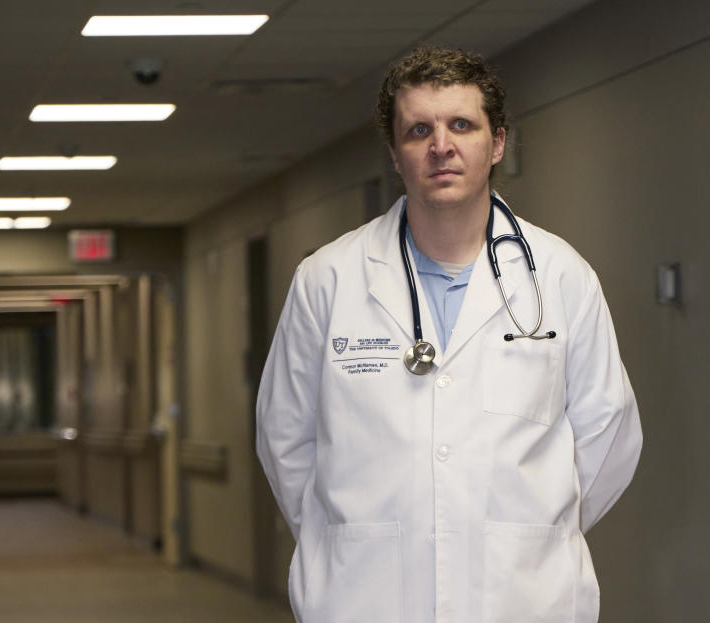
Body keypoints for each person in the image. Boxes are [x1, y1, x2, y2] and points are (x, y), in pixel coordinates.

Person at [256, 46, 642, 623]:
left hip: (523, 599)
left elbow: (607, 435)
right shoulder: (329, 279)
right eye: (419, 130)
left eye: (462, 124)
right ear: (394, 152)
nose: (442, 145)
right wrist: (359, 536)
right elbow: (285, 440)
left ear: (499, 142)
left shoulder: (561, 276)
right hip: (364, 598)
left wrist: (526, 534)